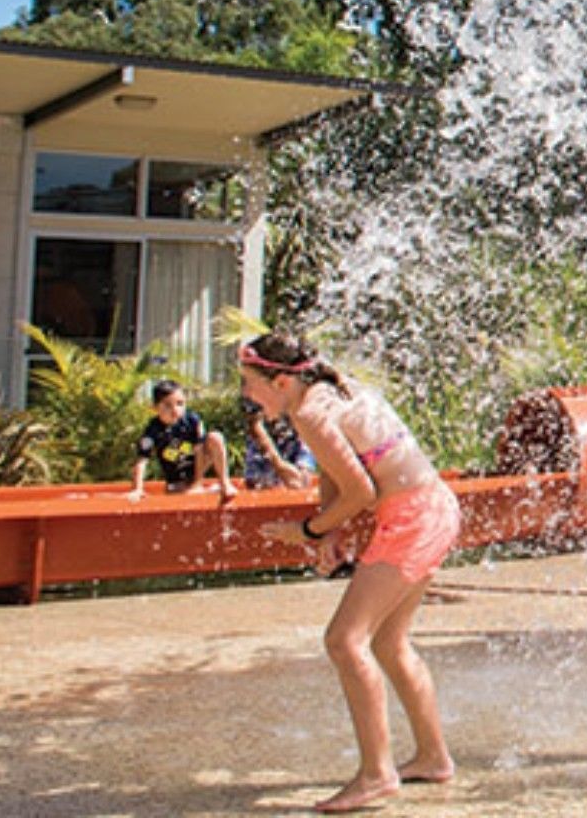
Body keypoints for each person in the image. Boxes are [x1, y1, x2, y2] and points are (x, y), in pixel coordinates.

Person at [239, 331, 459, 814]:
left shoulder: (309, 411)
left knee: (345, 640)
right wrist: (332, 533)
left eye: (249, 383)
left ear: (278, 381)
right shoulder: (329, 391)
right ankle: (432, 756)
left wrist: (312, 531)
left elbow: (358, 490)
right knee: (389, 643)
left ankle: (377, 774)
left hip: (414, 519)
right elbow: (334, 473)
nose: (245, 395)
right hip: (432, 507)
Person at [129, 378, 234, 498]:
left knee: (215, 437)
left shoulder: (191, 421)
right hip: (175, 480)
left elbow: (199, 450)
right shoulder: (153, 431)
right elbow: (142, 461)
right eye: (168, 405)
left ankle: (225, 484)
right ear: (155, 407)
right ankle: (200, 489)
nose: (175, 410)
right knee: (178, 494)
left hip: (197, 468)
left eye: (180, 404)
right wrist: (137, 489)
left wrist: (197, 482)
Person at [242, 396, 314, 490]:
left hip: (297, 438)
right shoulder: (253, 387)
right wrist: (279, 464)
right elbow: (254, 422)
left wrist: (303, 469)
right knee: (261, 487)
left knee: (302, 483)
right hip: (264, 445)